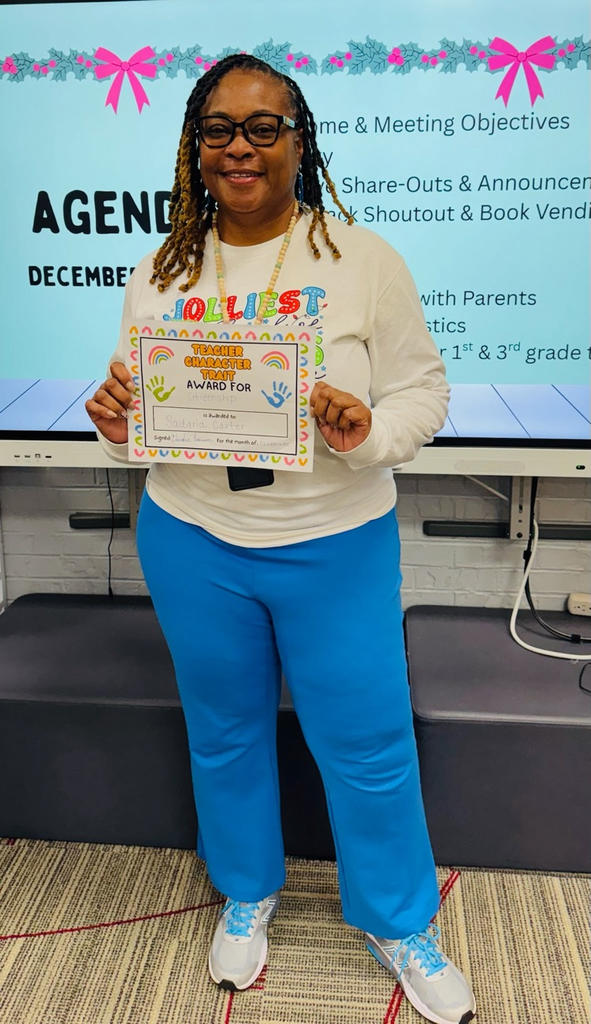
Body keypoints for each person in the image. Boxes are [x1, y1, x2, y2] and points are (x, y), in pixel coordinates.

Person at [86, 54, 476, 1024]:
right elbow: (152, 412)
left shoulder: (361, 259)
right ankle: (248, 891)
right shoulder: (161, 268)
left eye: (264, 126)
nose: (240, 146)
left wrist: (367, 433)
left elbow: (424, 391)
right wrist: (116, 417)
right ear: (195, 147)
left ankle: (398, 919)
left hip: (333, 538)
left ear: (300, 142)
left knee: (369, 744)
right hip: (192, 536)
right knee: (224, 733)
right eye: (218, 128)